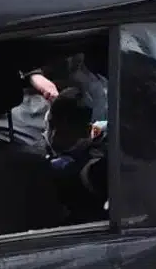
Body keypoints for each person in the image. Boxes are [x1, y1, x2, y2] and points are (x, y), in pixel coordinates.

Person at [45, 87, 108, 224]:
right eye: (51, 125)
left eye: (64, 132)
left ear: (85, 131)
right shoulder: (40, 147)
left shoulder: (93, 163)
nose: (54, 136)